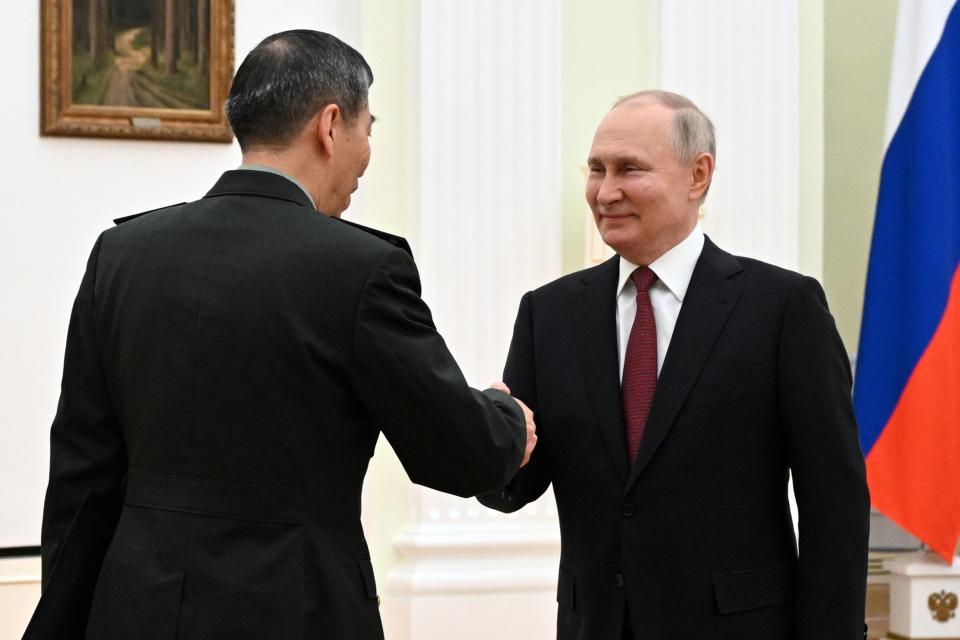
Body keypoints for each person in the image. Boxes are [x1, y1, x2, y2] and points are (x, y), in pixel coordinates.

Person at [28, 30, 535, 640]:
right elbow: (461, 454)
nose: (366, 150)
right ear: (330, 125)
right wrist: (506, 418)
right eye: (367, 128)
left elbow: (82, 475)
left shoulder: (121, 253)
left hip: (137, 606)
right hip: (295, 607)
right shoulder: (360, 268)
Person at [479, 90, 869, 639]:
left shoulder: (782, 309)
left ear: (698, 175)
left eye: (629, 169)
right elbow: (513, 488)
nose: (605, 192)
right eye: (596, 169)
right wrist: (486, 434)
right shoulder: (549, 314)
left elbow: (835, 502)